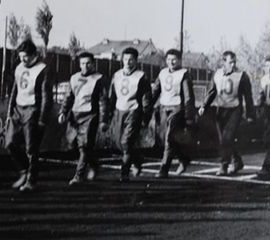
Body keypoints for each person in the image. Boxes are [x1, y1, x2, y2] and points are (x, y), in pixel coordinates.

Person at [5, 39, 52, 192]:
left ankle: (31, 180)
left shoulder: (43, 69)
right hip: (18, 109)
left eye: (25, 56)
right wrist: (9, 112)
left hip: (33, 110)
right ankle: (23, 171)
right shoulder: (19, 67)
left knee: (31, 148)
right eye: (20, 56)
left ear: (33, 55)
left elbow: (46, 96)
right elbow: (14, 90)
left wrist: (43, 119)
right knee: (10, 143)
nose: (22, 59)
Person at [199, 51, 255, 175]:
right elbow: (211, 92)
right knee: (224, 140)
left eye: (234, 62)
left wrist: (250, 114)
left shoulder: (241, 75)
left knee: (227, 138)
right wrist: (204, 106)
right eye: (230, 62)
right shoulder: (217, 74)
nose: (233, 64)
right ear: (223, 62)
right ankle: (237, 161)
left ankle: (223, 165)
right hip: (221, 109)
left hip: (235, 109)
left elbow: (248, 96)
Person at [58, 52, 108, 186]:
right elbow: (69, 97)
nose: (85, 66)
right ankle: (93, 164)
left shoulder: (99, 79)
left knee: (84, 146)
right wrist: (63, 112)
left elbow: (103, 101)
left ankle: (79, 175)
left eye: (88, 63)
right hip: (75, 114)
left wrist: (103, 120)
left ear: (93, 64)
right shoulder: (74, 78)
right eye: (82, 63)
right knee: (72, 145)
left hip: (90, 115)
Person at [105, 47, 152, 182]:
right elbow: (111, 95)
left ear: (136, 61)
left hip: (134, 111)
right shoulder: (117, 75)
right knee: (119, 143)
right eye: (125, 59)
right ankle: (137, 160)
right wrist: (108, 114)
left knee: (126, 142)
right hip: (119, 110)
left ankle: (124, 173)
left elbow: (146, 98)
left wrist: (145, 116)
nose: (128, 62)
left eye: (131, 60)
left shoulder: (141, 76)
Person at [151, 49, 196, 178]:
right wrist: (148, 106)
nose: (171, 62)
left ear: (180, 60)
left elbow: (188, 97)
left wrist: (188, 116)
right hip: (164, 107)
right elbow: (156, 91)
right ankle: (183, 159)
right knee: (166, 138)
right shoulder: (162, 73)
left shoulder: (184, 74)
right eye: (169, 59)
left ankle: (164, 168)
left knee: (169, 138)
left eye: (174, 59)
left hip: (177, 108)